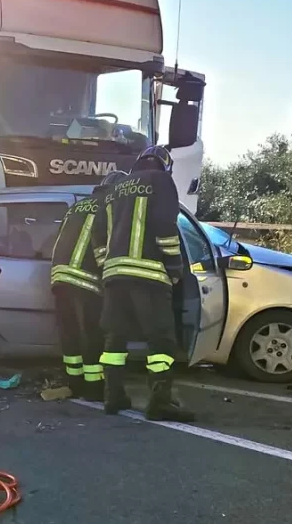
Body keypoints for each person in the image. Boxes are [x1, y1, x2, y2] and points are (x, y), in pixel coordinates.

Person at [94, 146, 194, 421]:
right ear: (165, 165)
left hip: (114, 277)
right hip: (148, 276)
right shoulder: (161, 181)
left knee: (115, 339)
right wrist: (175, 268)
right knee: (161, 342)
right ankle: (160, 402)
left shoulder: (115, 188)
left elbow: (98, 235)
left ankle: (112, 398)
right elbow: (165, 227)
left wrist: (108, 267)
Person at [49, 170, 124, 401]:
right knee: (92, 333)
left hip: (60, 276)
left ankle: (75, 383)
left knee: (69, 333)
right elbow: (105, 245)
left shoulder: (78, 205)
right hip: (86, 278)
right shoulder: (109, 206)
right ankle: (93, 388)